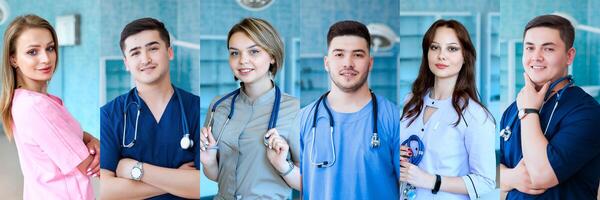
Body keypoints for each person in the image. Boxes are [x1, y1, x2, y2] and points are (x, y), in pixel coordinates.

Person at [499, 14, 600, 199]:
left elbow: (541, 176)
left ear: (569, 56)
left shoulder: (587, 113)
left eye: (548, 49)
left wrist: (529, 111)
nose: (536, 57)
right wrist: (510, 177)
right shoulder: (512, 110)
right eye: (530, 48)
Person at [297, 20, 400, 199]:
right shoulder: (304, 118)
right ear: (326, 62)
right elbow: (300, 181)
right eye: (339, 54)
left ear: (370, 62)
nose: (348, 63)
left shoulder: (393, 118)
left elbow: (410, 187)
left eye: (358, 55)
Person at [199, 17, 301, 199]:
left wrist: (283, 166)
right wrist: (208, 162)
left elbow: (306, 182)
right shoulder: (218, 106)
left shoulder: (295, 110)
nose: (242, 60)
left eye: (253, 51)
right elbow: (217, 177)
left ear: (272, 56)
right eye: (234, 53)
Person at [0, 14, 100, 199]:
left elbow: (69, 135)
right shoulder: (36, 107)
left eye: (50, 48)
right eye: (33, 52)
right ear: (13, 59)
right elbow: (90, 165)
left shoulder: (31, 101)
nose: (46, 59)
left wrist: (91, 139)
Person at [100, 18, 200, 199]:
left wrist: (135, 170)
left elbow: (202, 184)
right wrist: (178, 180)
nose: (145, 59)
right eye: (135, 53)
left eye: (153, 48)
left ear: (169, 52)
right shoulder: (110, 114)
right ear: (126, 63)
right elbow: (106, 190)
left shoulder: (196, 109)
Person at [398, 19, 496, 200]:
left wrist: (432, 181)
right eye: (435, 47)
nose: (441, 56)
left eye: (452, 49)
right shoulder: (410, 102)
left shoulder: (476, 116)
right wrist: (395, 156)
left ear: (465, 56)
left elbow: (486, 181)